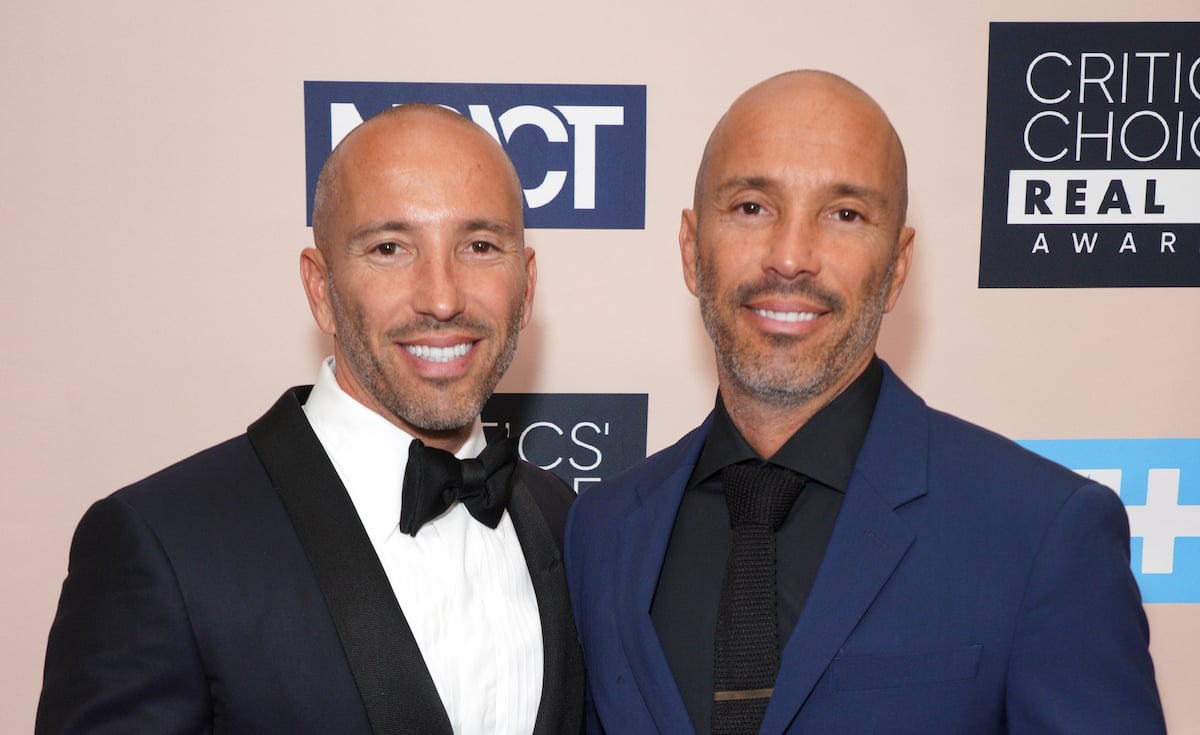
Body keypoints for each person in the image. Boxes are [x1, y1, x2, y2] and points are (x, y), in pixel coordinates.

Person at [564, 71, 1165, 734]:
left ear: (898, 265)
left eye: (844, 214)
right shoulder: (602, 531)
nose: (790, 257)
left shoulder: (1041, 532)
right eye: (752, 206)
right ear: (690, 247)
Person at [37, 104, 584, 735]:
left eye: (480, 246)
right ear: (320, 287)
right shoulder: (163, 545)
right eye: (389, 248)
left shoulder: (566, 521)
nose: (441, 296)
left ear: (527, 283)